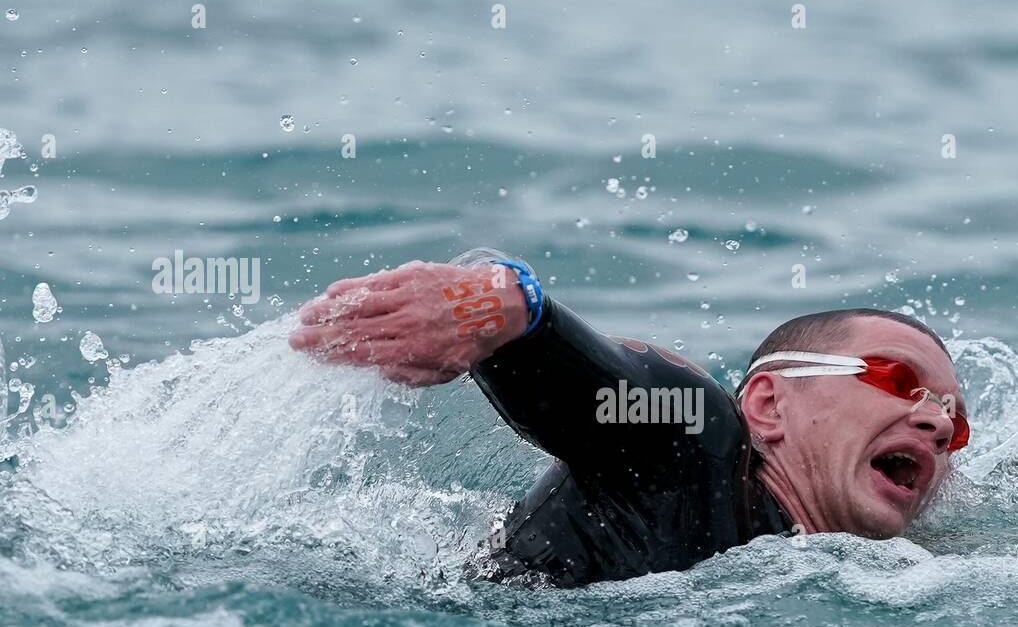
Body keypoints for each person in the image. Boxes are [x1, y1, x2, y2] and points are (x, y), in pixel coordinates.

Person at [289, 249, 969, 587]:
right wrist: (492, 304)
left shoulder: (903, 573)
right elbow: (596, 380)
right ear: (767, 405)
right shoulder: (692, 438)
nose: (936, 425)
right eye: (899, 379)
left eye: (954, 421)